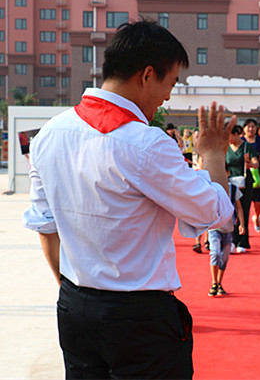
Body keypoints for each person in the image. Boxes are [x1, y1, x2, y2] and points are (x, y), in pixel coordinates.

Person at [22, 20, 236, 379]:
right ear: (147, 75)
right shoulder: (145, 144)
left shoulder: (50, 134)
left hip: (75, 307)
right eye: (170, 84)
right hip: (138, 320)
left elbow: (45, 225)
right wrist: (214, 155)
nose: (168, 96)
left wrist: (73, 291)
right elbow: (217, 213)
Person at [208, 179, 245, 297]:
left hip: (229, 229)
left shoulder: (233, 189)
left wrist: (242, 224)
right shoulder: (212, 188)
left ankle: (219, 283)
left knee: (224, 257)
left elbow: (239, 207)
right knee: (215, 253)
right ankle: (214, 283)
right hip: (214, 229)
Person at [226, 124, 258, 253]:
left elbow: (256, 163)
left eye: (228, 136)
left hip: (245, 183)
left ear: (235, 134)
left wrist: (250, 163)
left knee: (243, 210)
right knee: (230, 212)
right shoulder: (226, 148)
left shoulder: (246, 147)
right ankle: (231, 240)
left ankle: (242, 241)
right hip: (230, 184)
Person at [242, 119, 260, 233]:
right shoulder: (241, 141)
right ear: (244, 129)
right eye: (248, 127)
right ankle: (243, 225)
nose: (250, 129)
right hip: (245, 173)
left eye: (253, 127)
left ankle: (257, 217)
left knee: (258, 201)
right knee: (245, 201)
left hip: (259, 172)